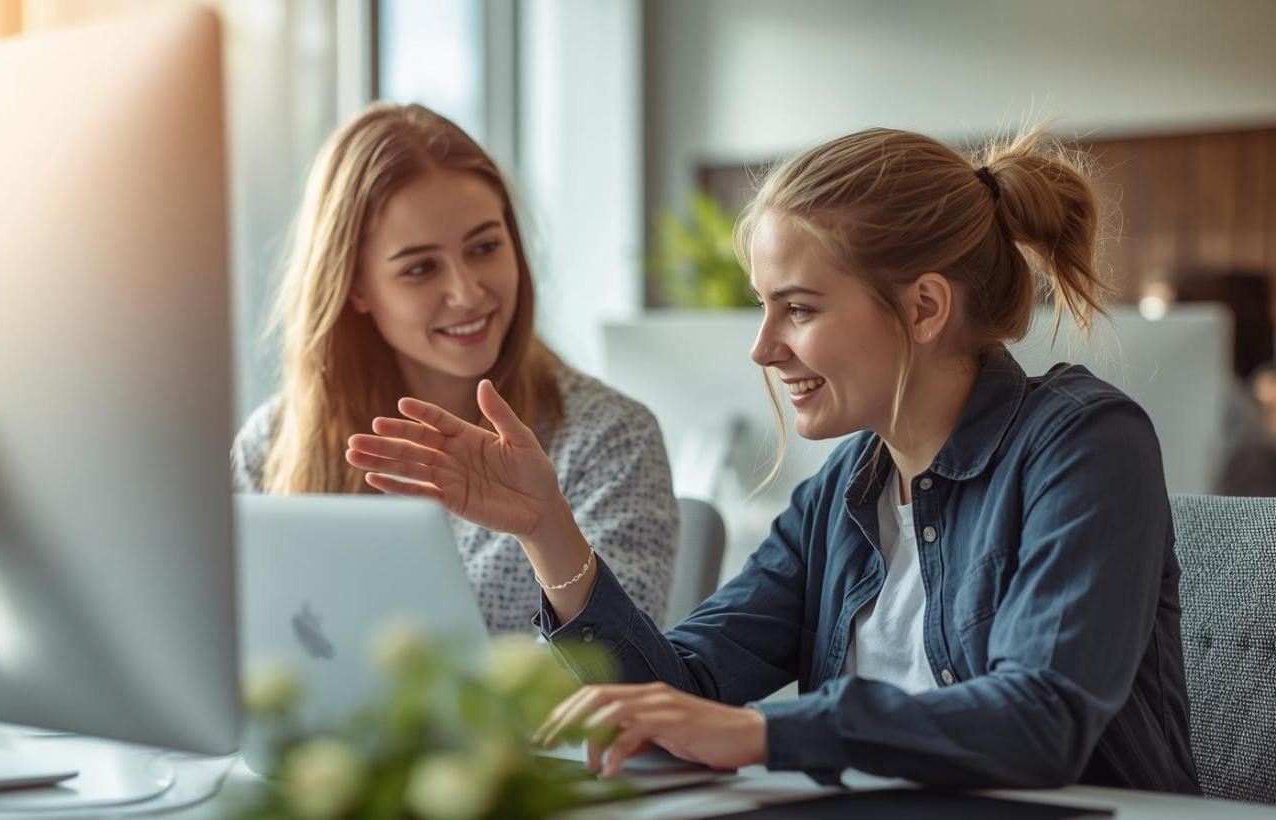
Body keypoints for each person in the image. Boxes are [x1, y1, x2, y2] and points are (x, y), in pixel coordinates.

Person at [345, 126, 1201, 791]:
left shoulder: (1084, 445)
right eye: (764, 308)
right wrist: (547, 530)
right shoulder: (841, 498)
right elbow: (682, 686)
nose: (762, 348)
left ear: (924, 306)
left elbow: (1042, 719)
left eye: (795, 309)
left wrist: (766, 734)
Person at [233, 103, 676, 633]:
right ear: (354, 288)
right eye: (420, 268)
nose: (467, 293)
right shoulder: (274, 444)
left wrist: (546, 530)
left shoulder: (609, 440)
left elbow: (616, 679)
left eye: (485, 247)